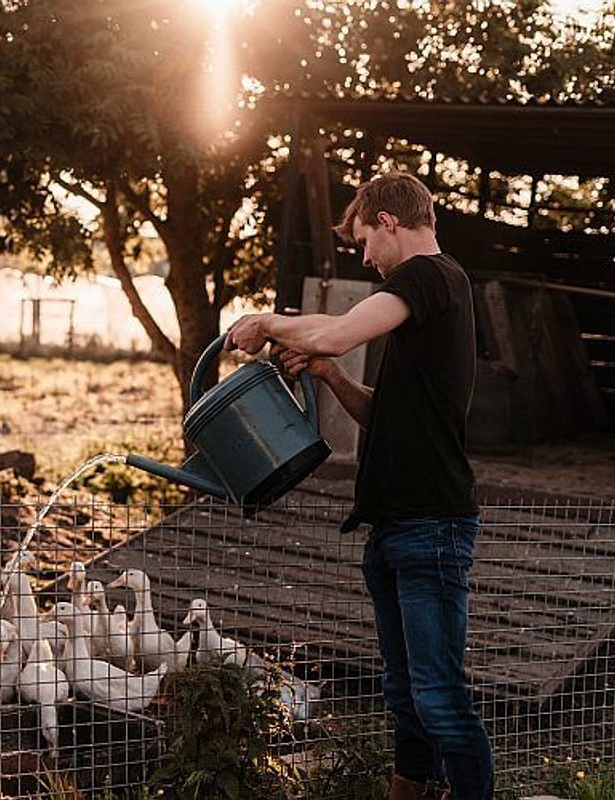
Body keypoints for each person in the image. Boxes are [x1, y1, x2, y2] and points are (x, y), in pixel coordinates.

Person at [224, 171, 493, 800]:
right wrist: (330, 377)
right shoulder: (424, 302)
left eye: (366, 240)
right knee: (405, 693)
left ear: (390, 222)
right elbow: (386, 411)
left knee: (439, 696)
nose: (366, 257)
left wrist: (268, 321)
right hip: (397, 524)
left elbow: (336, 330)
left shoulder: (430, 276)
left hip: (431, 523)